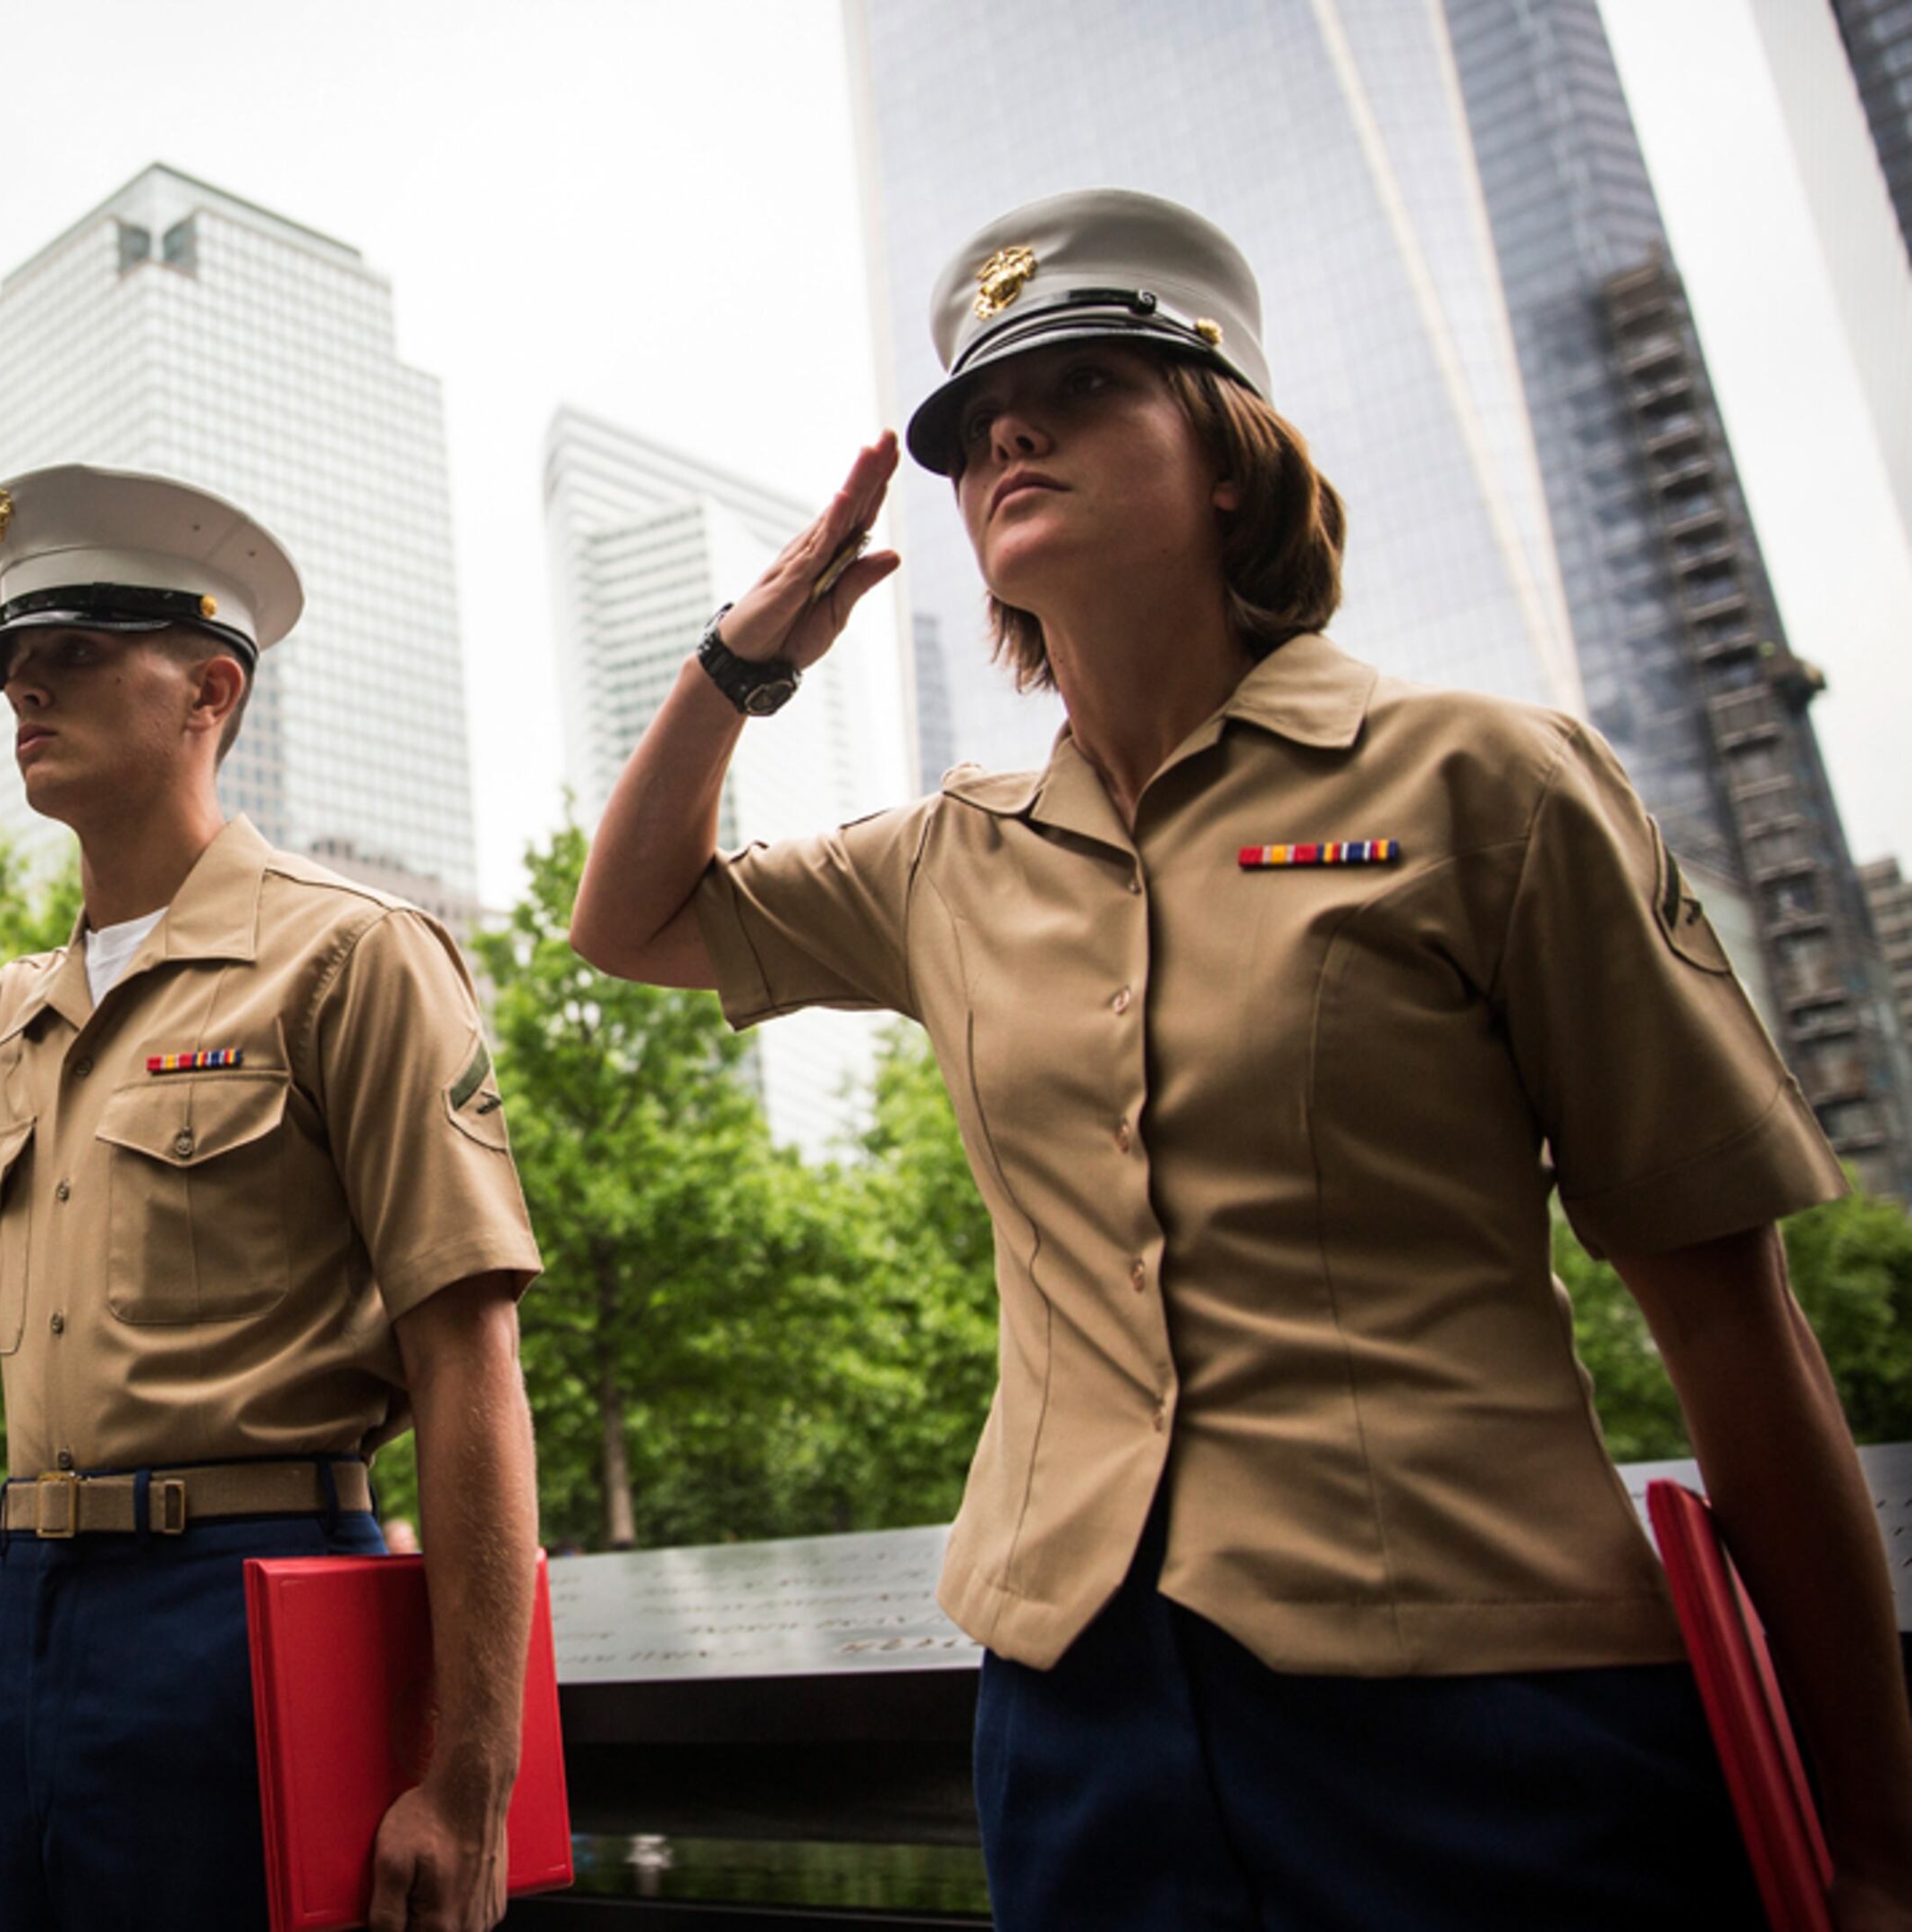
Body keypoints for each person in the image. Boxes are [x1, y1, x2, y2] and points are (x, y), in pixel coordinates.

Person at [566, 188, 1912, 1932]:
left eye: (1086, 384)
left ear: (1230, 458)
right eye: (973, 427)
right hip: (1077, 1721)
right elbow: (630, 920)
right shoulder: (950, 857)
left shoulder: (1479, 784)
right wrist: (746, 659)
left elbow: (1736, 1327)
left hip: (1478, 1709)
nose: (1006, 437)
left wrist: (1877, 1846)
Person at [0, 465, 548, 1932]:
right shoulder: (7, 1018)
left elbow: (468, 1358)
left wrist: (472, 1765)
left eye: (74, 658)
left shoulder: (351, 957)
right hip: (38, 1601)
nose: (24, 694)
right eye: (10, 668)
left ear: (208, 692)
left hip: (250, 1597)